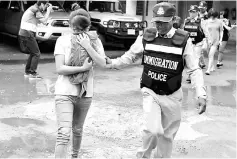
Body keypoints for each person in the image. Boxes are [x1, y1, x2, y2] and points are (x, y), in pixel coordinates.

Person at [105, 2, 207, 158]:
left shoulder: (183, 40)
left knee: (167, 137)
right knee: (152, 130)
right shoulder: (147, 36)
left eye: (164, 22)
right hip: (150, 91)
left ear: (173, 19)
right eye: (157, 22)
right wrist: (112, 63)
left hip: (172, 95)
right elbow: (131, 56)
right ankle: (143, 156)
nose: (159, 26)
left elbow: (194, 69)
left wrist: (201, 94)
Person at [53, 8, 106, 158]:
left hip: (85, 93)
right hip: (64, 92)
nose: (77, 31)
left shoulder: (95, 41)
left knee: (77, 130)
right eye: (75, 28)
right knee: (64, 132)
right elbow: (60, 68)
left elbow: (102, 63)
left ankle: (74, 156)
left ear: (88, 27)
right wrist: (82, 68)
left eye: (81, 29)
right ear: (70, 26)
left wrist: (87, 45)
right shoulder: (62, 40)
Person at [18, 0, 53, 79]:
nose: (45, 8)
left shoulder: (33, 9)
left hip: (25, 33)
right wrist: (48, 11)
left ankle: (28, 72)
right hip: (27, 33)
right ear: (41, 4)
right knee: (37, 53)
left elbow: (39, 21)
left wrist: (46, 15)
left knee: (33, 53)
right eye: (45, 5)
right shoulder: (35, 9)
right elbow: (44, 21)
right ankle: (32, 73)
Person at [183, 5, 205, 83]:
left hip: (198, 43)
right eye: (190, 12)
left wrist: (208, 41)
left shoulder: (201, 21)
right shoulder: (186, 20)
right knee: (189, 59)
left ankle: (191, 76)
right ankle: (192, 74)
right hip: (189, 43)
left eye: (193, 12)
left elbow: (205, 31)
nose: (191, 14)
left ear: (197, 12)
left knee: (195, 59)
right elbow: (183, 31)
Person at [205, 8, 223, 75]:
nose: (212, 17)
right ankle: (212, 67)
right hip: (208, 40)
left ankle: (208, 70)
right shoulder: (207, 22)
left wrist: (220, 40)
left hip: (216, 40)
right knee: (209, 55)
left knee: (211, 54)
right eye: (211, 15)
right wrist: (207, 39)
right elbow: (206, 31)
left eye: (213, 15)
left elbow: (221, 31)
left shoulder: (219, 22)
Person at [198, 1, 209, 69]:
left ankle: (210, 64)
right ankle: (201, 63)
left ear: (206, 8)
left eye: (202, 8)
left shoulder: (208, 15)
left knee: (205, 49)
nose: (201, 9)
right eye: (200, 8)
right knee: (200, 49)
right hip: (199, 34)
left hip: (206, 34)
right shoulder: (197, 14)